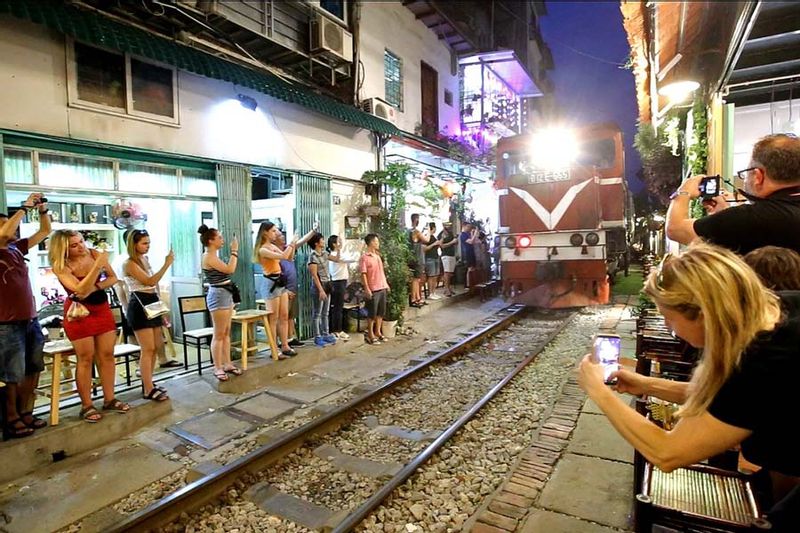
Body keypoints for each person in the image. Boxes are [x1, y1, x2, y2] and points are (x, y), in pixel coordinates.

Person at [578, 242, 799, 531]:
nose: (672, 330)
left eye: (670, 320)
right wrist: (647, 384)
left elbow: (668, 452)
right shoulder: (779, 308)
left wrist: (598, 392)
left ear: (704, 313)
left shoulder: (762, 361)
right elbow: (730, 401)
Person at [665, 133, 800, 254]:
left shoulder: (754, 218)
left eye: (748, 173)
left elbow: (675, 229)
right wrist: (724, 214)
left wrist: (684, 191)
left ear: (758, 176)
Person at [50, 230, 129, 422]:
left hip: (101, 307)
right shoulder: (61, 265)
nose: (81, 247)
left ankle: (109, 398)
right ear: (64, 249)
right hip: (78, 313)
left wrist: (95, 285)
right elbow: (78, 289)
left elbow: (113, 278)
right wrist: (97, 267)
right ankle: (86, 405)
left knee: (107, 355)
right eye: (74, 245)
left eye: (81, 241)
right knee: (85, 358)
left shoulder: (94, 254)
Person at [0, 193, 49, 437]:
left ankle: (27, 410)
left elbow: (43, 233)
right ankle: (11, 417)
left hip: (30, 317)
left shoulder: (15, 248)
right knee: (11, 373)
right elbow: (4, 235)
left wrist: (42, 211)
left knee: (33, 367)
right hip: (6, 323)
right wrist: (23, 208)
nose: (10, 229)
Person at [123, 229, 174, 401]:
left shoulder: (144, 259)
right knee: (148, 348)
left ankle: (149, 382)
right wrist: (167, 264)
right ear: (134, 244)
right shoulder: (129, 263)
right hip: (139, 304)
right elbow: (150, 281)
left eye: (148, 243)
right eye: (144, 243)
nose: (147, 246)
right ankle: (147, 388)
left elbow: (153, 286)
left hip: (152, 301)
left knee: (155, 347)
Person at [199, 224, 242, 381]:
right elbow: (230, 269)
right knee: (218, 333)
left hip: (225, 292)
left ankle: (228, 363)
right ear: (211, 241)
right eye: (219, 238)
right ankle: (217, 367)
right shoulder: (208, 257)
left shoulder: (213, 256)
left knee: (226, 332)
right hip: (218, 294)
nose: (222, 240)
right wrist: (234, 251)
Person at [253, 221, 298, 358]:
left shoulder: (272, 246)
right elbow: (284, 256)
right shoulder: (262, 249)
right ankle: (274, 349)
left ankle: (285, 345)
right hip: (270, 283)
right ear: (265, 232)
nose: (275, 233)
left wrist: (293, 245)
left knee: (284, 315)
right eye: (273, 231)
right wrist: (292, 243)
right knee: (273, 318)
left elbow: (289, 257)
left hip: (280, 282)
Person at [307, 233, 337, 347]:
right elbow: (314, 275)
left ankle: (326, 333)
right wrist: (320, 290)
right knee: (317, 313)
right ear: (316, 243)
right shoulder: (312, 256)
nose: (324, 242)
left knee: (326, 312)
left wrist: (338, 249)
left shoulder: (325, 253)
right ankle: (317, 336)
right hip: (318, 286)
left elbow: (337, 259)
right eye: (322, 240)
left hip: (327, 284)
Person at [359, 233, 390, 345]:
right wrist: (367, 288)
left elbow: (381, 272)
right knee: (372, 313)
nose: (378, 243)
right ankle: (370, 334)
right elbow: (363, 274)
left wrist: (386, 284)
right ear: (371, 243)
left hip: (381, 287)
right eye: (376, 241)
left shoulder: (377, 256)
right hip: (373, 288)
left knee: (381, 312)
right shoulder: (364, 257)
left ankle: (378, 332)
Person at [327, 234, 353, 340]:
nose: (341, 243)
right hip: (337, 282)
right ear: (334, 244)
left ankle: (336, 329)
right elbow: (350, 259)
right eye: (339, 241)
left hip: (341, 282)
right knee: (337, 308)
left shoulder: (337, 254)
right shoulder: (333, 255)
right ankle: (336, 330)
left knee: (337, 307)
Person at [437, 221, 457, 296]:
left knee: (450, 273)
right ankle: (446, 289)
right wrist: (452, 242)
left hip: (452, 254)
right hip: (446, 255)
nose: (449, 227)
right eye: (448, 225)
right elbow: (441, 246)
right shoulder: (441, 234)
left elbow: (455, 242)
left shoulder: (451, 233)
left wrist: (455, 241)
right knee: (447, 272)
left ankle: (449, 287)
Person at [424, 222, 442, 300]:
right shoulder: (426, 237)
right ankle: (430, 293)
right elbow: (425, 249)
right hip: (429, 258)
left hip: (435, 257)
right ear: (433, 228)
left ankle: (434, 292)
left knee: (435, 276)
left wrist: (438, 243)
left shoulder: (434, 237)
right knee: (431, 276)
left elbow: (435, 247)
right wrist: (434, 244)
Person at [460, 222, 478, 287]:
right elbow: (471, 242)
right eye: (468, 226)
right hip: (467, 253)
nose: (469, 228)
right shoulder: (463, 235)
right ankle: (467, 284)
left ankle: (472, 283)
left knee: (473, 268)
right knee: (469, 268)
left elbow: (474, 241)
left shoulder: (468, 234)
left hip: (471, 252)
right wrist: (475, 234)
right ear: (464, 226)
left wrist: (472, 233)